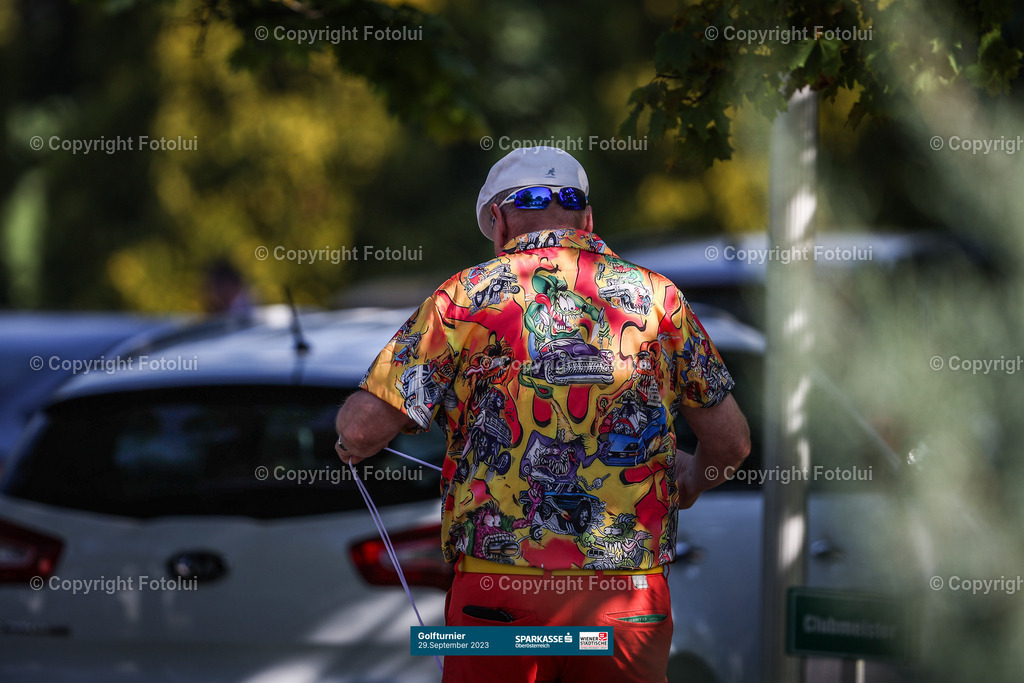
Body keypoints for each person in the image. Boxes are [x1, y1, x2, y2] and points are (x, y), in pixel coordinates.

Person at [335, 146, 750, 683]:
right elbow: (733, 444)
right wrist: (690, 482)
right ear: (588, 219)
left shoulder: (465, 297)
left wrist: (353, 438)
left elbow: (363, 428)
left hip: (499, 589)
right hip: (627, 593)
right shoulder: (658, 300)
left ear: (499, 222)